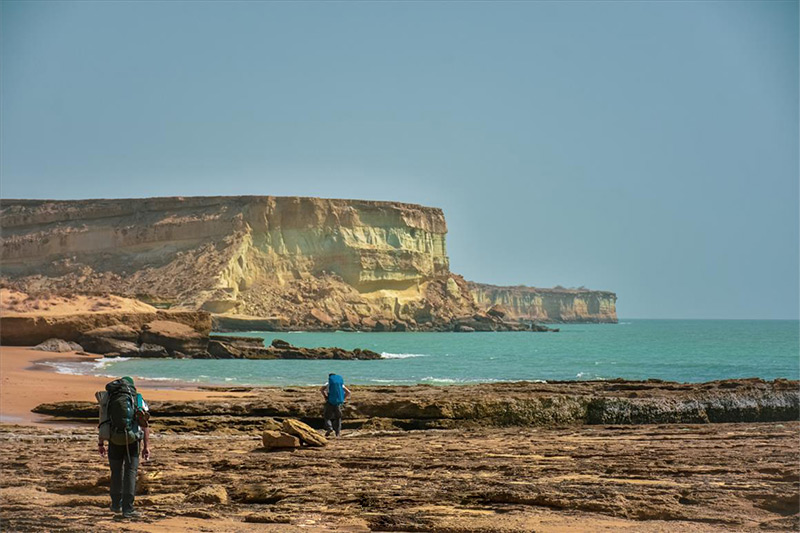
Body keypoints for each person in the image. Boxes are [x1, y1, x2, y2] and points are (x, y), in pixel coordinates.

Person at [97, 376, 150, 519]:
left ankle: (115, 504)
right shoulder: (137, 398)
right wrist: (146, 446)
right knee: (130, 472)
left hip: (114, 439)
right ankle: (128, 509)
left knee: (116, 471)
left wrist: (101, 443)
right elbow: (145, 425)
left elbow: (103, 420)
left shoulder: (109, 399)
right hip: (133, 440)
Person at [320, 373, 351, 438]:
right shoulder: (340, 384)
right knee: (338, 418)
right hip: (338, 403)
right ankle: (338, 434)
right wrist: (343, 398)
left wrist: (325, 396)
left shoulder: (328, 384)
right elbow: (348, 392)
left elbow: (321, 390)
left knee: (327, 417)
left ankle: (329, 428)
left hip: (330, 402)